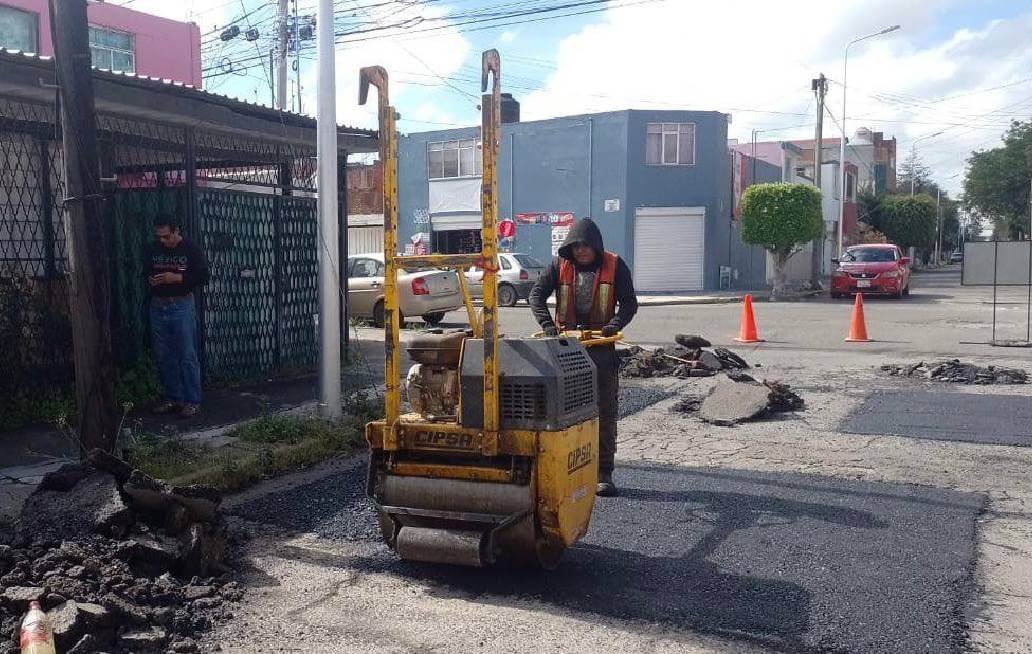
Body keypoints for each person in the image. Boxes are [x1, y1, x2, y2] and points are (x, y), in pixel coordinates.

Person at [529, 217, 638, 497]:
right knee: (562, 411)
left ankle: (604, 471)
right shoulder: (558, 266)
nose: (580, 251)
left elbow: (629, 304)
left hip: (601, 349)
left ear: (596, 246)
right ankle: (566, 467)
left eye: (585, 246)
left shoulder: (615, 265)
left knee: (604, 409)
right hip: (566, 350)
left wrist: (614, 325)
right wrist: (549, 328)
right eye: (575, 247)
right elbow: (536, 296)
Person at [146, 215, 209, 418]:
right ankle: (174, 397)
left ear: (176, 231)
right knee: (165, 355)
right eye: (159, 237)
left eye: (166, 237)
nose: (163, 241)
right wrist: (151, 279)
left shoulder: (190, 249)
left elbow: (203, 276)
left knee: (187, 355)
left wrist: (177, 277)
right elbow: (145, 268)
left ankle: (192, 400)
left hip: (181, 304)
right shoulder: (154, 249)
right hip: (158, 305)